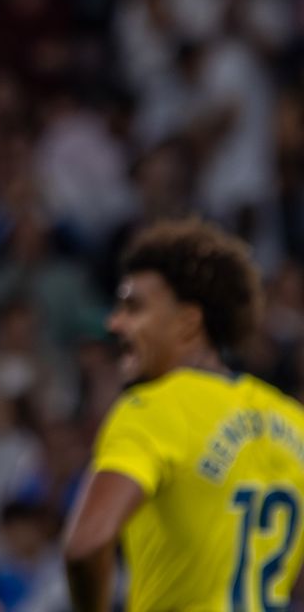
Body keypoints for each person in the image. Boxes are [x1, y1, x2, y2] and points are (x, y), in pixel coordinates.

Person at [62, 219, 304, 610]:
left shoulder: (153, 409)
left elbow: (86, 545)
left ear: (188, 322)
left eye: (134, 307)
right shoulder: (292, 420)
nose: (115, 322)